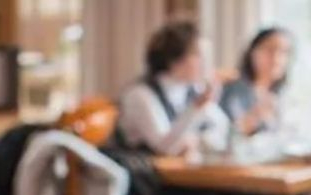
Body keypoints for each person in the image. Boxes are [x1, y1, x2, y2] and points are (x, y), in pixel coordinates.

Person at [117, 21, 228, 156]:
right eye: (198, 55)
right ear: (174, 59)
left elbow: (223, 128)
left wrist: (196, 140)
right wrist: (197, 107)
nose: (206, 63)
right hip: (143, 167)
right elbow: (164, 147)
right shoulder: (140, 94)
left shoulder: (191, 90)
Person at [220, 27, 293, 135]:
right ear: (253, 52)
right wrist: (257, 114)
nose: (276, 58)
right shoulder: (232, 90)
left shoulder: (281, 94)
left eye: (284, 52)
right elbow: (228, 134)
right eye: (270, 49)